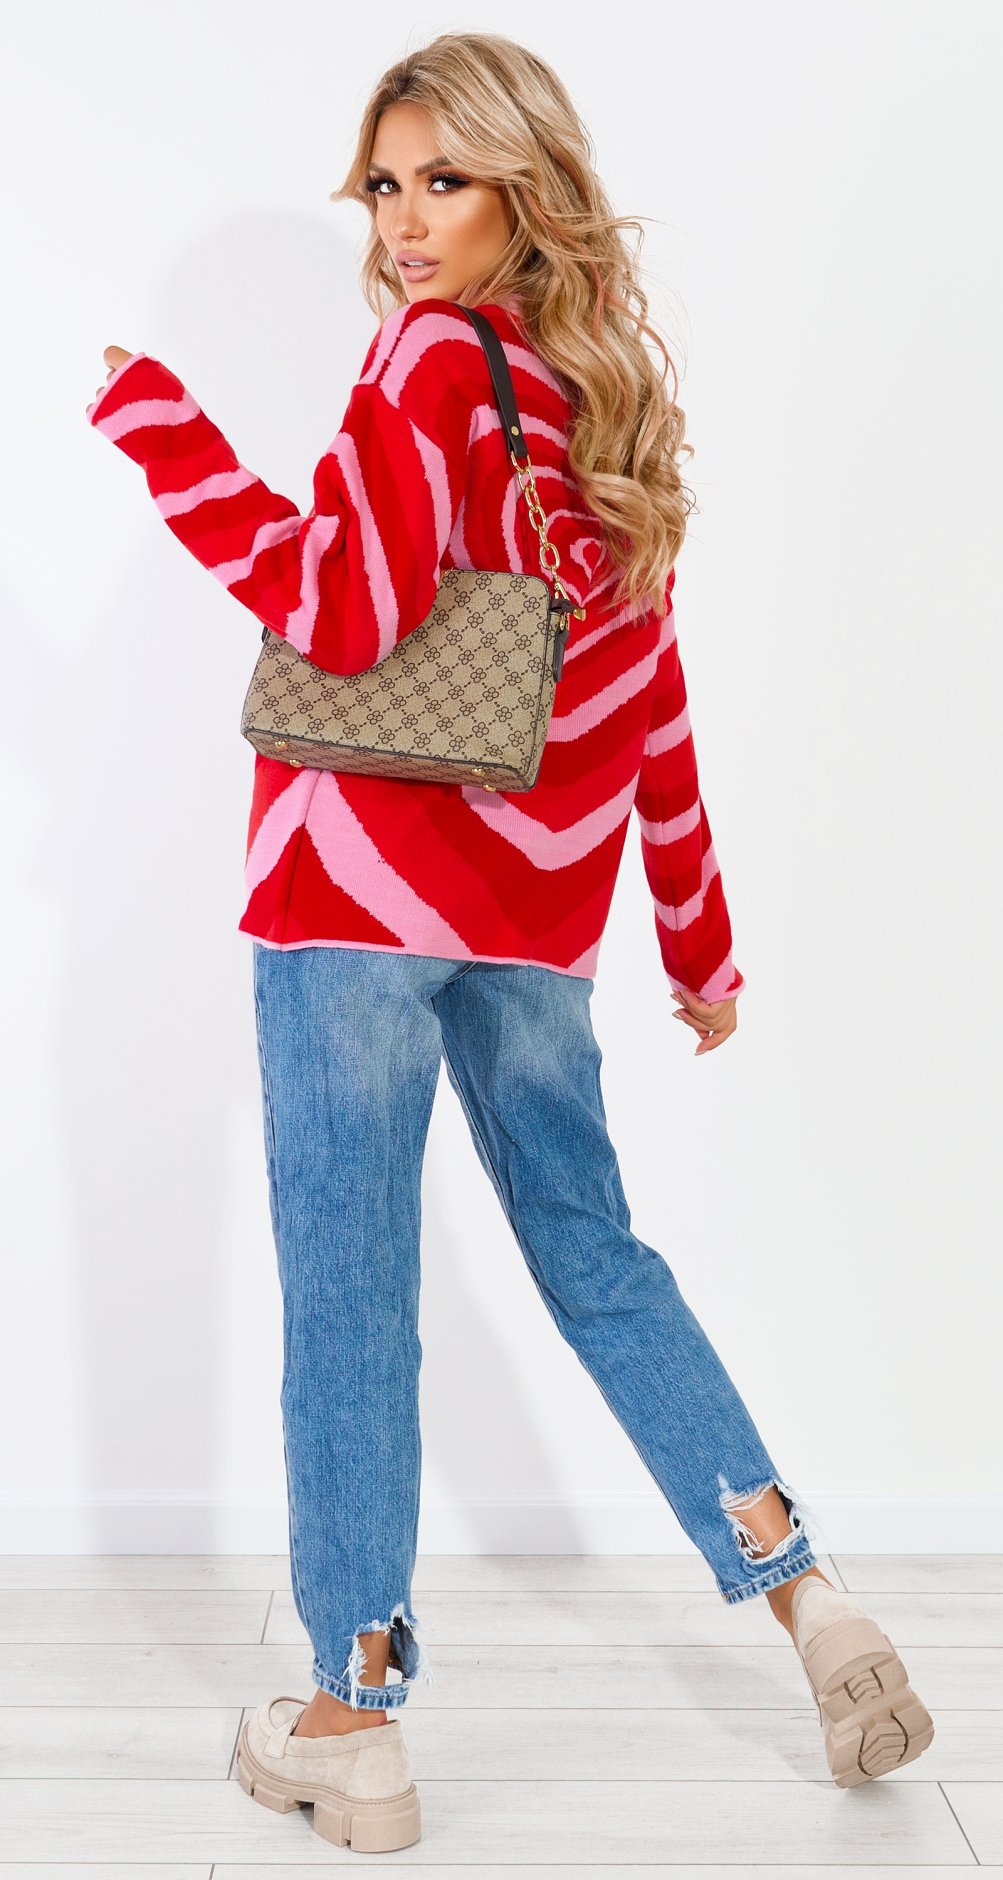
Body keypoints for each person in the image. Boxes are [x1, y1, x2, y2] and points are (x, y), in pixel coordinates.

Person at [85, 29, 933, 1854]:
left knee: (349, 1284)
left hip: (353, 893)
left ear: (523, 191)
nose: (404, 224)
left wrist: (162, 427)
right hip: (534, 919)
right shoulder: (604, 405)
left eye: (443, 182)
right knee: (596, 1253)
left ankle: (352, 1718)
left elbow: (338, 608)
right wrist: (698, 943)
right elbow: (650, 703)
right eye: (385, 188)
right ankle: (801, 1584)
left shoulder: (426, 364)